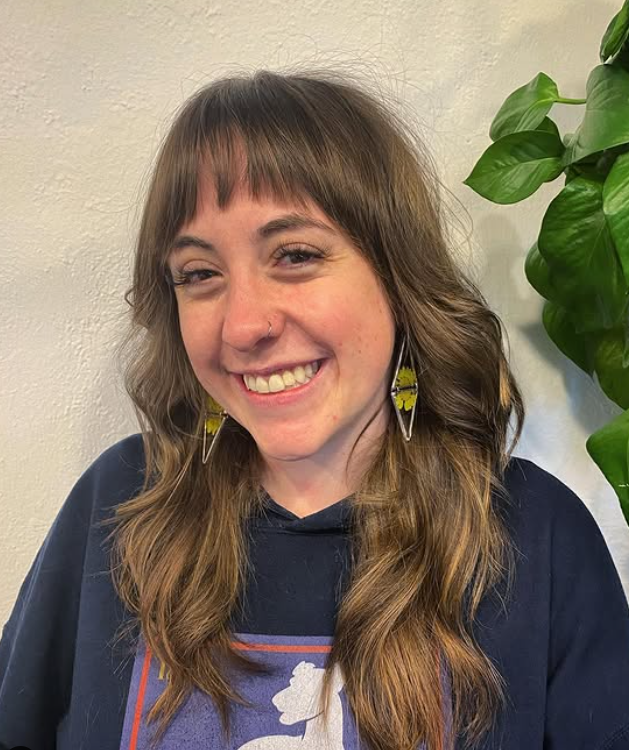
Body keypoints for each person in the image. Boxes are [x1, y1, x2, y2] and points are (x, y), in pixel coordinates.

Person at [1, 67, 629, 750]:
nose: (243, 325)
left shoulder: (536, 536)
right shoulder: (119, 503)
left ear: (397, 278)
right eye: (200, 274)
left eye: (295, 255)